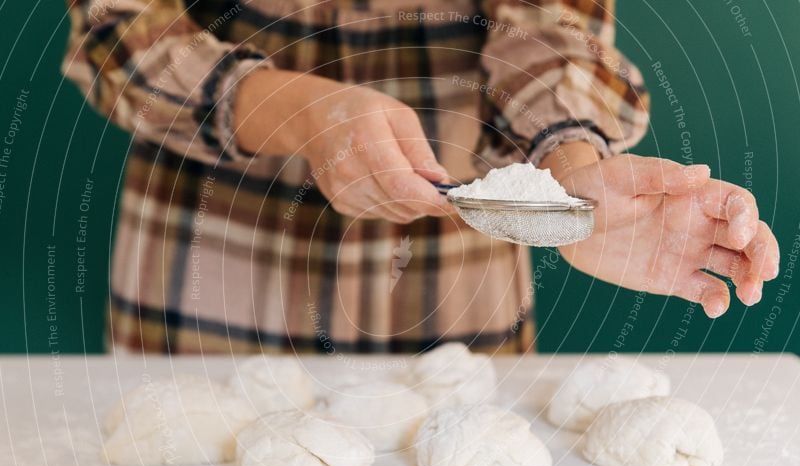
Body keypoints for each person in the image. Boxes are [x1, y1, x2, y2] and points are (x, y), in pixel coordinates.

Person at [62, 0, 779, 355]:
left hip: (451, 279)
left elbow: (550, 25)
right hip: (207, 257)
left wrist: (572, 174)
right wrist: (302, 113)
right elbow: (118, 30)